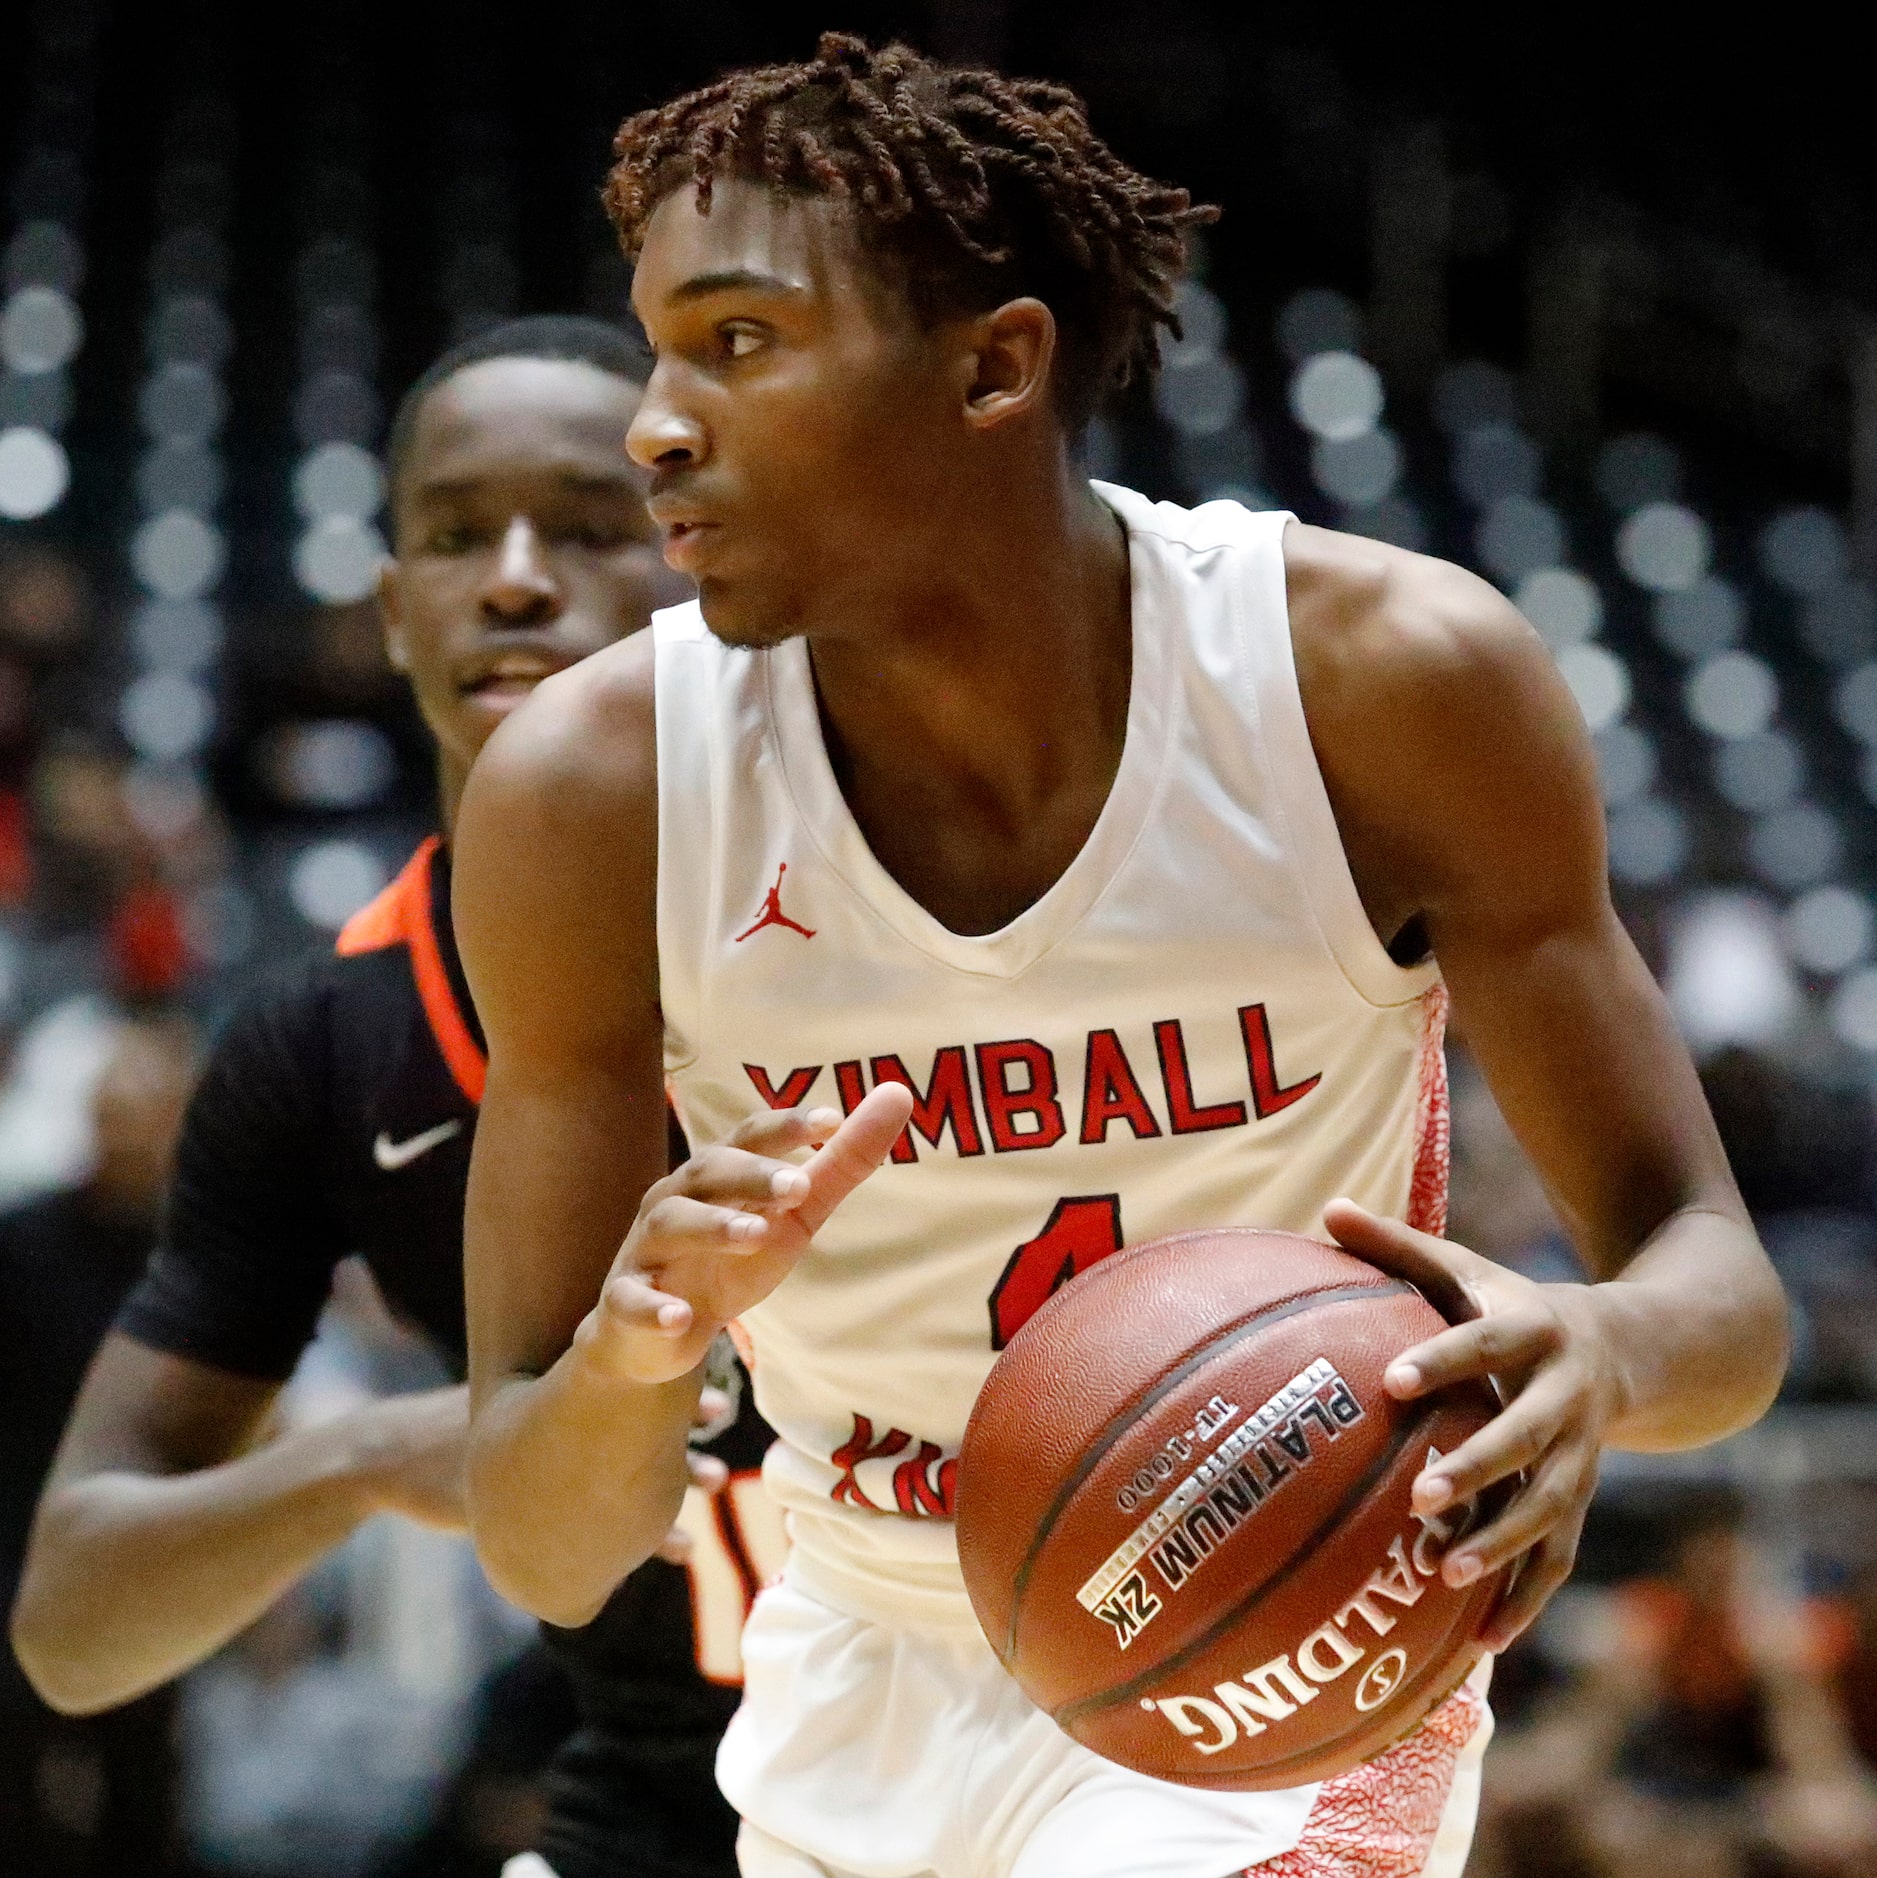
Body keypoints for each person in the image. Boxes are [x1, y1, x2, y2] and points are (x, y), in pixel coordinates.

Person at [451, 37, 1789, 1878]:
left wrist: (1601, 1346)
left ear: (994, 364)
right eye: (658, 350)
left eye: (738, 342)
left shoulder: (1377, 685)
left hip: (1287, 1639)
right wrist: (637, 1343)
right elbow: (540, 1534)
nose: (654, 423)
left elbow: (1718, 1293)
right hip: (858, 1663)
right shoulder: (592, 798)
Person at [12, 316, 779, 1878]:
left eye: (584, 524)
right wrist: (363, 1459)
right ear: (392, 610)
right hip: (667, 1799)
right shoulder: (322, 1043)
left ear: (708, 556)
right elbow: (71, 1627)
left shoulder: (910, 912)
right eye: (451, 535)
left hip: (1045, 1754)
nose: (510, 576)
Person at [0, 1014, 198, 1875]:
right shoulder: (21, 1244)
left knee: (144, 1779)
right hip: (17, 1542)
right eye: (106, 1109)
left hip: (155, 1548)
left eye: (143, 1110)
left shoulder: (205, 1254)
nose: (119, 1129)